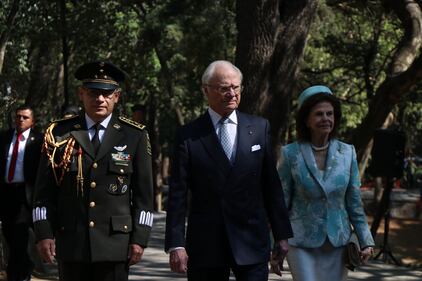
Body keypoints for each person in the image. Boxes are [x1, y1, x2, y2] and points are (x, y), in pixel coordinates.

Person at [165, 60, 293, 281]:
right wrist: (176, 244)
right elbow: (177, 194)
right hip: (206, 244)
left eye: (236, 87)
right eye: (224, 88)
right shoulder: (188, 135)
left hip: (251, 240)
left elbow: (271, 185)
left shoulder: (259, 128)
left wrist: (282, 235)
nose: (232, 93)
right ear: (206, 90)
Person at [32, 61, 154, 281]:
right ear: (81, 93)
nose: (100, 99)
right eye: (93, 93)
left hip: (115, 244)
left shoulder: (134, 135)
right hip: (72, 242)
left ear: (116, 96)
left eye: (106, 94)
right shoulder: (59, 134)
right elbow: (43, 192)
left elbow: (144, 196)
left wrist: (140, 238)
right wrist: (43, 232)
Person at [277, 85, 375, 281]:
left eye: (329, 114)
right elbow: (280, 202)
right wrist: (276, 242)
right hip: (301, 242)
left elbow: (354, 202)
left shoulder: (348, 153)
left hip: (338, 243)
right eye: (319, 114)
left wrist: (366, 240)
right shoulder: (290, 154)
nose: (326, 119)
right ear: (307, 120)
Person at [0, 105, 43, 281]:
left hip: (25, 195)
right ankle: (19, 270)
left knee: (21, 238)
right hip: (6, 194)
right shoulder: (4, 137)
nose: (21, 120)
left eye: (25, 117)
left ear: (32, 121)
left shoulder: (38, 141)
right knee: (9, 235)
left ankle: (20, 273)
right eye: (18, 116)